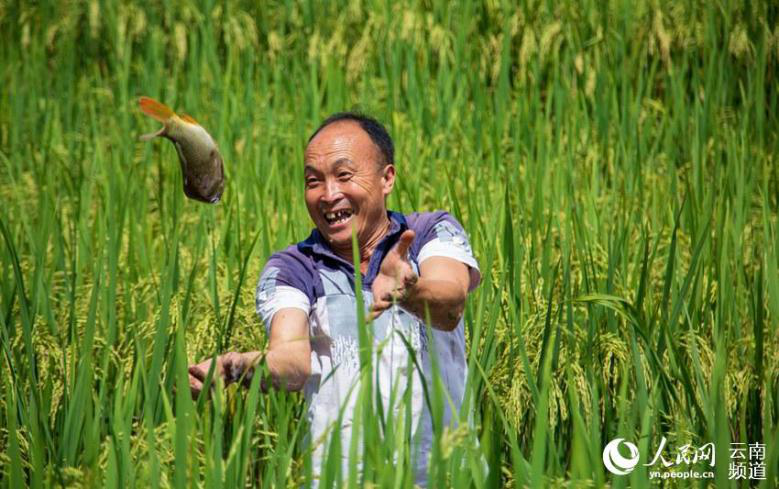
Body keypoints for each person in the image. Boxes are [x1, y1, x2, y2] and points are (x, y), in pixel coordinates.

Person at [188, 112, 481, 485]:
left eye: (344, 176)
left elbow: (451, 304)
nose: (329, 195)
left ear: (386, 178)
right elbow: (292, 361)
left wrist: (410, 291)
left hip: (445, 476)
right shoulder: (293, 268)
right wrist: (234, 366)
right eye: (314, 181)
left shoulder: (427, 234)